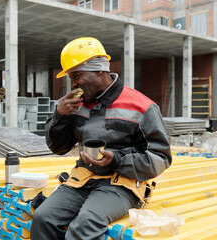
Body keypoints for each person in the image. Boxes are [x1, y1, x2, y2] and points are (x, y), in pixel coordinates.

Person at [30, 37, 172, 240]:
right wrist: (60, 116)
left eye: (77, 75)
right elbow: (59, 148)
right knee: (44, 217)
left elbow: (160, 157)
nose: (74, 83)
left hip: (122, 183)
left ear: (99, 70)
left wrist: (116, 159)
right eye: (71, 77)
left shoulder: (142, 106)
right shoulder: (77, 105)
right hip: (83, 179)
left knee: (85, 223)